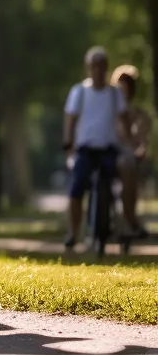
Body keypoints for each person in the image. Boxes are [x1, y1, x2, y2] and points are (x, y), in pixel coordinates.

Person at [61, 47, 133, 250]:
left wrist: (128, 141)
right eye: (94, 66)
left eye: (102, 66)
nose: (98, 70)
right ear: (88, 68)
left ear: (107, 68)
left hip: (109, 148)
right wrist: (68, 142)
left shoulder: (114, 94)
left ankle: (123, 225)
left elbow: (124, 118)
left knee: (117, 185)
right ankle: (73, 232)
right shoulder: (79, 92)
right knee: (76, 188)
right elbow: (71, 120)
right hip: (85, 148)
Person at [111, 64, 151, 240]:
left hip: (127, 154)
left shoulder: (139, 115)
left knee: (128, 168)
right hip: (109, 151)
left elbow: (140, 139)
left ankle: (130, 218)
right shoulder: (108, 111)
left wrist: (140, 147)